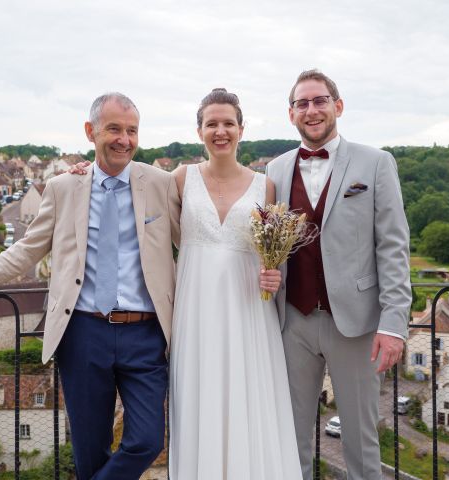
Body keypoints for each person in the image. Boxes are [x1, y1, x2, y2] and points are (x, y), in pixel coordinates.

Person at [0, 93, 181, 480]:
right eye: (114, 129)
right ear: (90, 131)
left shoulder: (161, 183)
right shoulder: (63, 188)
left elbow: (200, 238)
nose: (124, 140)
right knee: (90, 452)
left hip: (145, 334)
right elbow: (24, 253)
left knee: (147, 440)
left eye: (132, 131)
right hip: (83, 332)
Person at [266, 70, 411, 480]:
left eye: (320, 100)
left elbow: (394, 247)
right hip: (291, 322)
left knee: (361, 443)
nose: (311, 110)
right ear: (291, 113)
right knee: (290, 438)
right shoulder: (275, 170)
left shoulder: (376, 162)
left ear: (338, 106)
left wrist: (394, 324)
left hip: (357, 324)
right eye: (302, 103)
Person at [168, 88, 302, 480]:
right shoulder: (180, 178)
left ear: (241, 129)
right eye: (212, 123)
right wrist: (81, 169)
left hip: (247, 308)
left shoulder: (266, 187)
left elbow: (271, 252)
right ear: (199, 131)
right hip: (195, 309)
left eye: (228, 123)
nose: (220, 131)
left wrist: (273, 271)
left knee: (248, 397)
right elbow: (140, 201)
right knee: (199, 396)